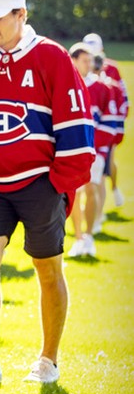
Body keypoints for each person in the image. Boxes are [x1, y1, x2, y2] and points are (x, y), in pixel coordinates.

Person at [0, 0, 95, 385]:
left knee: (47, 268)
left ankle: (48, 360)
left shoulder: (52, 56)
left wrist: (59, 183)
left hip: (39, 184)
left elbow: (76, 122)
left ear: (21, 15)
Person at [67, 43, 117, 258]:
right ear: (74, 60)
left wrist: (93, 145)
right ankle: (78, 237)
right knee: (73, 194)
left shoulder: (102, 88)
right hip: (69, 150)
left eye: (91, 61)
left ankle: (88, 235)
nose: (89, 65)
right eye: (85, 60)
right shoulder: (64, 84)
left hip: (94, 149)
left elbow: (110, 120)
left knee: (90, 188)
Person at [83, 32, 129, 207]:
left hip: (107, 121)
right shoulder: (81, 64)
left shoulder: (112, 69)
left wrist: (115, 124)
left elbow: (120, 97)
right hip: (93, 123)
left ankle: (115, 188)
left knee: (107, 162)